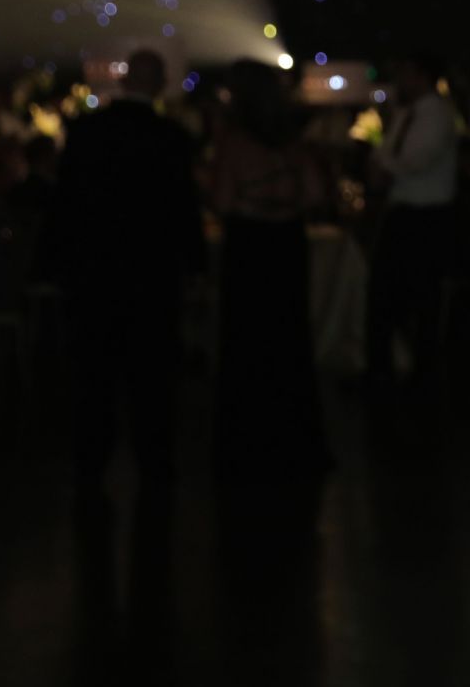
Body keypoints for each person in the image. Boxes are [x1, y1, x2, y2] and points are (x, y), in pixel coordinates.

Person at [52, 49, 205, 501]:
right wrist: (194, 266)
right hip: (151, 276)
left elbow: (65, 206)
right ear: (157, 84)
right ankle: (155, 466)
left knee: (93, 376)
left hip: (93, 274)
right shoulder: (171, 138)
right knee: (152, 376)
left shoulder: (85, 133)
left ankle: (90, 466)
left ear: (122, 81)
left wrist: (57, 265)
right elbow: (184, 210)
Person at [210, 59, 329, 479]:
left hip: (249, 245)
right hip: (285, 244)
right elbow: (314, 193)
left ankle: (248, 441)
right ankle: (293, 437)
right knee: (288, 334)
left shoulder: (234, 142)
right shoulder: (292, 142)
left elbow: (222, 202)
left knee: (247, 338)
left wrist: (251, 200)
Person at [366, 54, 460, 383]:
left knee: (419, 296)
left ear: (419, 74)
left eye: (404, 72)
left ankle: (420, 370)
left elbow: (412, 161)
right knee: (387, 295)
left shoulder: (435, 114)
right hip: (405, 213)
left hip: (424, 218)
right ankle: (388, 366)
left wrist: (382, 161)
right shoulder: (409, 113)